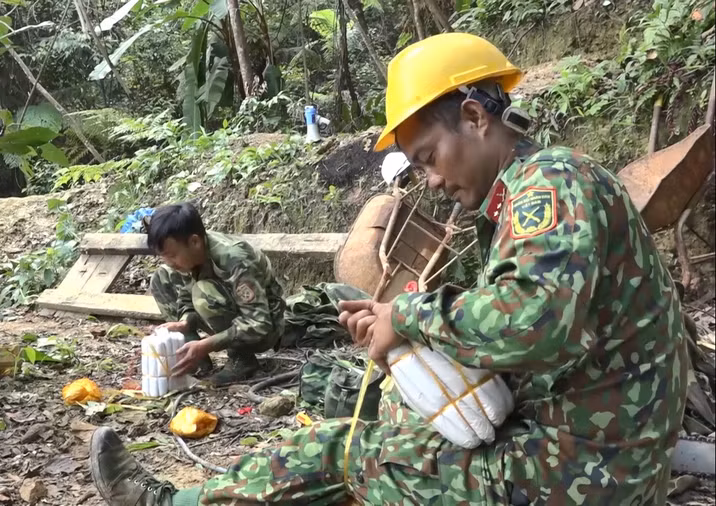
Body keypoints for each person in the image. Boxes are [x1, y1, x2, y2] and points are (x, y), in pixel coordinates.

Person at [88, 33, 689, 506]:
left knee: (336, 449)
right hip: (590, 446)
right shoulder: (527, 191)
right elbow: (526, 327)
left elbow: (531, 321)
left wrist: (406, 314)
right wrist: (401, 339)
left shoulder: (549, 184)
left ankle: (165, 502)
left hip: (586, 470)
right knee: (390, 409)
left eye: (428, 157)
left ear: (475, 117)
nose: (432, 180)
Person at [146, 202, 286, 385]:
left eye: (172, 255)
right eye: (164, 256)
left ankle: (241, 360)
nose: (169, 262)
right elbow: (187, 297)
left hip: (265, 327)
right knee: (161, 277)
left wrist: (207, 345)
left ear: (194, 242)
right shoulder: (191, 256)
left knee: (204, 293)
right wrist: (185, 322)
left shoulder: (234, 258)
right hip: (232, 314)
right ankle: (190, 353)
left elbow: (259, 323)